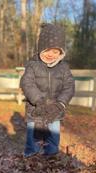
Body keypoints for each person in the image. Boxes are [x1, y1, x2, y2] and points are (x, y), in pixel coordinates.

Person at [20, 23, 75, 158]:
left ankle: (51, 155)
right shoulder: (32, 66)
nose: (51, 54)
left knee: (53, 135)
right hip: (35, 108)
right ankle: (31, 155)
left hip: (55, 109)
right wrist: (39, 100)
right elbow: (27, 83)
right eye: (48, 50)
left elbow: (69, 87)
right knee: (33, 135)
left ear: (61, 53)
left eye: (56, 51)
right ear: (41, 49)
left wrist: (60, 104)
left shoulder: (64, 68)